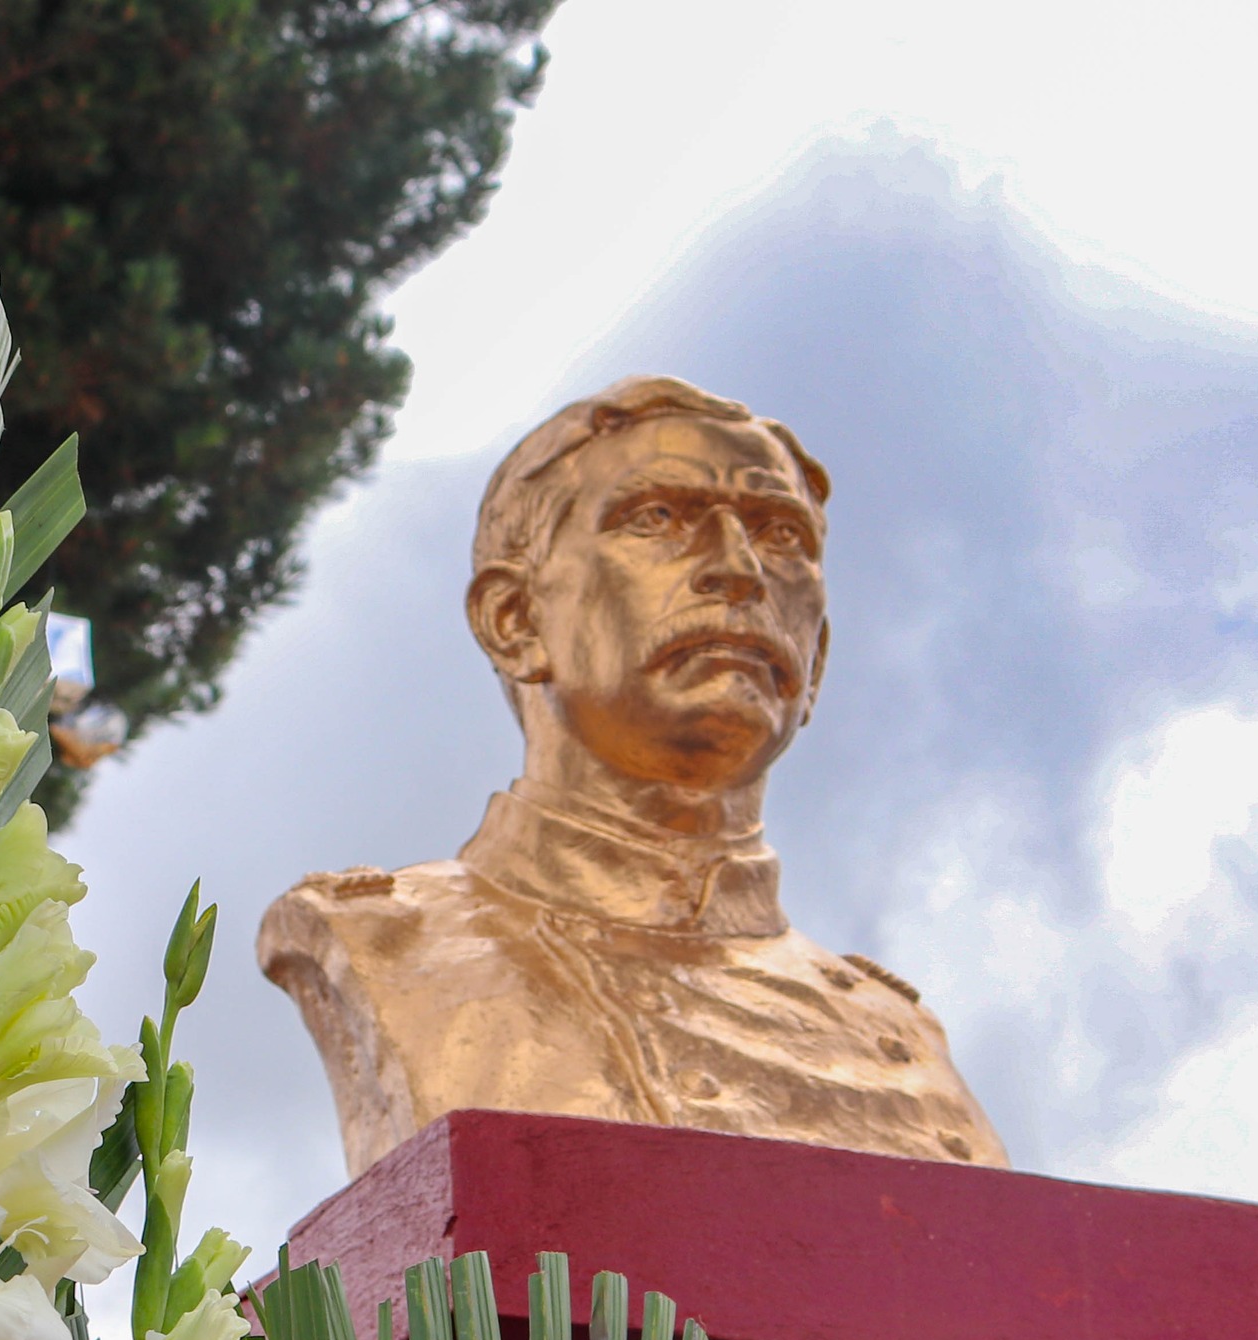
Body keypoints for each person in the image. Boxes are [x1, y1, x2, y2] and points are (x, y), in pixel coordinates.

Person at [258, 375, 1008, 1178]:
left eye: (782, 535)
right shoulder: (389, 943)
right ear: (515, 622)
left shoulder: (894, 1025)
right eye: (660, 519)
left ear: (816, 661)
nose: (740, 569)